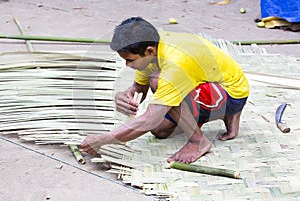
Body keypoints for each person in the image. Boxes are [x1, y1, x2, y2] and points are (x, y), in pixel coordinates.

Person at [80, 17, 249, 163]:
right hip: (211, 85)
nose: (127, 65)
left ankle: (198, 141)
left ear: (149, 51)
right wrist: (125, 95)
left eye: (130, 60)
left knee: (158, 81)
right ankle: (226, 116)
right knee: (160, 131)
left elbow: (150, 118)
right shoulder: (152, 46)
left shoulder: (175, 62)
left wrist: (104, 139)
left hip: (231, 94)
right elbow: (140, 88)